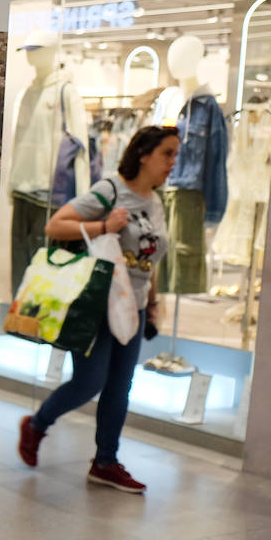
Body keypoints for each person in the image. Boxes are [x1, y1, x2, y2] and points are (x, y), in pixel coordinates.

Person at [18, 125, 180, 494]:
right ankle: (37, 423)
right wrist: (104, 225)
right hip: (98, 305)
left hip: (134, 308)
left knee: (120, 388)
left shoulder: (157, 202)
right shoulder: (110, 189)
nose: (174, 162)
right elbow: (55, 225)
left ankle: (106, 461)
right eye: (167, 153)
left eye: (175, 154)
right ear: (144, 153)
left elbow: (150, 259)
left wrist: (152, 305)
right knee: (91, 381)